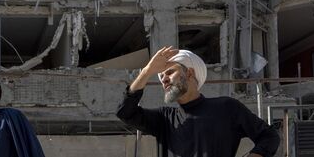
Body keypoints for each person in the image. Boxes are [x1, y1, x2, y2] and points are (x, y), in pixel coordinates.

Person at [117, 46, 280, 157]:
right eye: (160, 77)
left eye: (170, 72)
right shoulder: (164, 119)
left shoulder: (226, 108)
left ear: (189, 73)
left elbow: (269, 136)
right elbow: (125, 112)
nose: (164, 80)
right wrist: (147, 71)